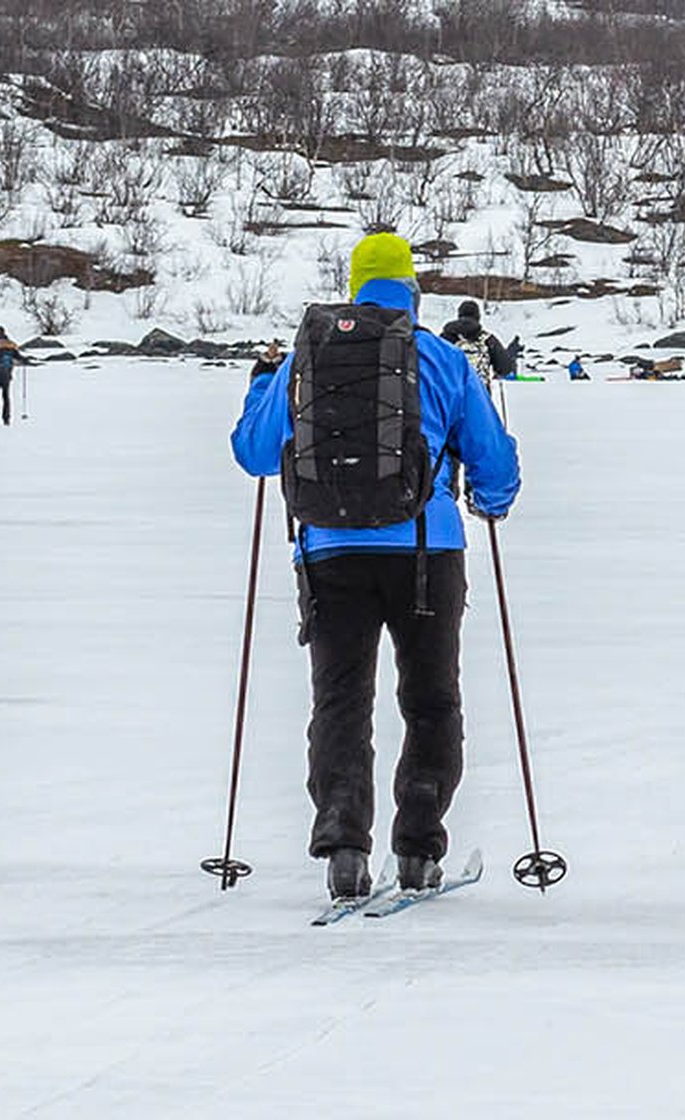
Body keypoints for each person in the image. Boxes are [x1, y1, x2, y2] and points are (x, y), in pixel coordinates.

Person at [231, 233, 521, 901]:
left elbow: (253, 451)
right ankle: (418, 846)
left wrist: (258, 389)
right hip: (426, 550)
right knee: (430, 699)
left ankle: (343, 842)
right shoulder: (443, 358)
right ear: (413, 291)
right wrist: (493, 502)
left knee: (340, 701)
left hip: (330, 551)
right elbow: (493, 461)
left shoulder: (309, 355)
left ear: (355, 286)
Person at [439, 300, 518, 384]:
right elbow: (505, 368)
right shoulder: (488, 339)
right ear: (478, 317)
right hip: (479, 393)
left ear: (459, 315)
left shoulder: (444, 338)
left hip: (450, 392)